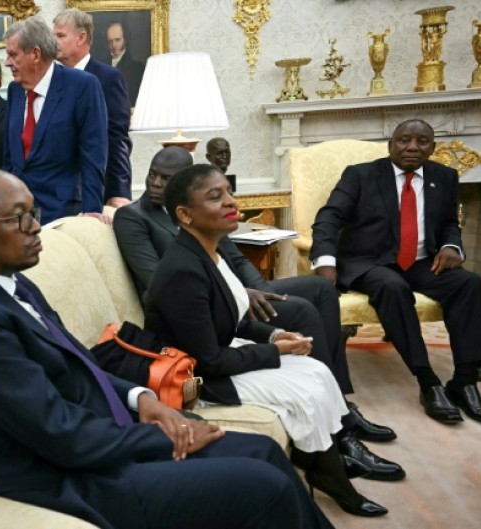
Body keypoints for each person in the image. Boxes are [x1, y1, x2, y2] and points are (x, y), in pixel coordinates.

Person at [0, 168, 334, 529]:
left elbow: (78, 364)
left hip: (102, 439)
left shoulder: (11, 281)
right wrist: (170, 435)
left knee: (262, 451)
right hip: (61, 476)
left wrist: (143, 398)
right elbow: (58, 434)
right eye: (19, 218)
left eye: (34, 212)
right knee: (263, 488)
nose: (35, 227)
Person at [114, 148, 404, 482]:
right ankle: (344, 436)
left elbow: (235, 259)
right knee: (302, 311)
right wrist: (236, 295)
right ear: (185, 209)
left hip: (235, 293)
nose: (155, 183)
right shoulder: (135, 218)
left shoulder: (212, 213)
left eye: (166, 178)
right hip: (200, 304)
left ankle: (341, 407)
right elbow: (157, 280)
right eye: (153, 174)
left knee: (321, 290)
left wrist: (260, 292)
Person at [312, 119, 481, 425]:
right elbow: (329, 217)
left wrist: (452, 246)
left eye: (422, 141)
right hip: (369, 261)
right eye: (404, 140)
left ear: (433, 148)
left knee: (469, 283)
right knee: (391, 286)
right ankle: (427, 380)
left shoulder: (444, 176)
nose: (412, 147)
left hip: (423, 262)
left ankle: (464, 381)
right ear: (391, 145)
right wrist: (325, 261)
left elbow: (450, 222)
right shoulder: (361, 175)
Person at [2, 16, 108, 224]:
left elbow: (94, 153)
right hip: (18, 212)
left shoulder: (82, 85)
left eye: (13, 55)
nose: (7, 63)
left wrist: (92, 211)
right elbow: (9, 154)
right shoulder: (15, 90)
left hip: (62, 211)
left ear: (35, 54)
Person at [53, 9, 133, 208]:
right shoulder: (51, 80)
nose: (53, 42)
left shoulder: (108, 78)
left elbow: (117, 138)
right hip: (55, 192)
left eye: (60, 36)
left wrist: (118, 191)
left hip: (94, 191)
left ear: (81, 38)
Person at [105, 21, 144, 107]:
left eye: (117, 40)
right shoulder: (102, 64)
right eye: (110, 41)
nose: (114, 45)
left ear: (125, 39)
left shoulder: (137, 69)